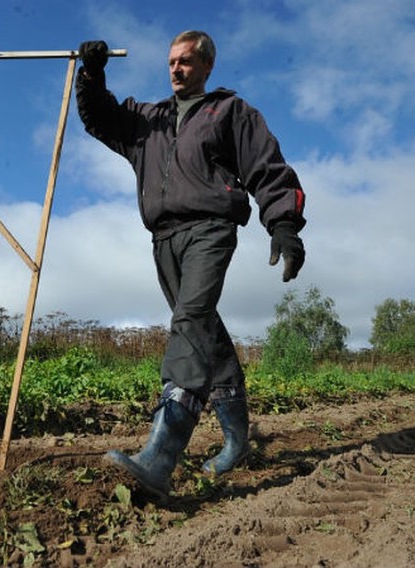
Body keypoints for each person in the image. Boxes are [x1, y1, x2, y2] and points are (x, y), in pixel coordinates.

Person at [75, 31, 306, 498]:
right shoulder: (148, 120)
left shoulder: (229, 112)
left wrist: (284, 224)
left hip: (210, 229)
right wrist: (92, 75)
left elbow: (266, 165)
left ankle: (160, 456)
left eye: (185, 62)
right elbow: (99, 117)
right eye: (171, 62)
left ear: (206, 66)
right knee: (206, 334)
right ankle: (238, 440)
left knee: (190, 321)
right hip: (163, 239)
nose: (175, 69)